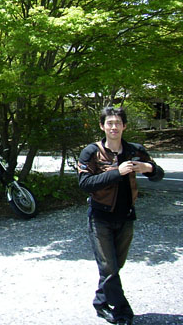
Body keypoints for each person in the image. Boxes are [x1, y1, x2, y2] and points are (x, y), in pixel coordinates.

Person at [78, 107, 164, 325]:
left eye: (118, 123)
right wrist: (118, 172)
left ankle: (100, 302)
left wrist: (148, 168)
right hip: (100, 217)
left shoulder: (135, 150)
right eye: (109, 123)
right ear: (102, 126)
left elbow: (158, 174)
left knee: (114, 267)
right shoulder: (91, 152)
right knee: (108, 267)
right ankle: (123, 311)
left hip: (126, 217)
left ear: (124, 126)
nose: (114, 127)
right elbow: (85, 183)